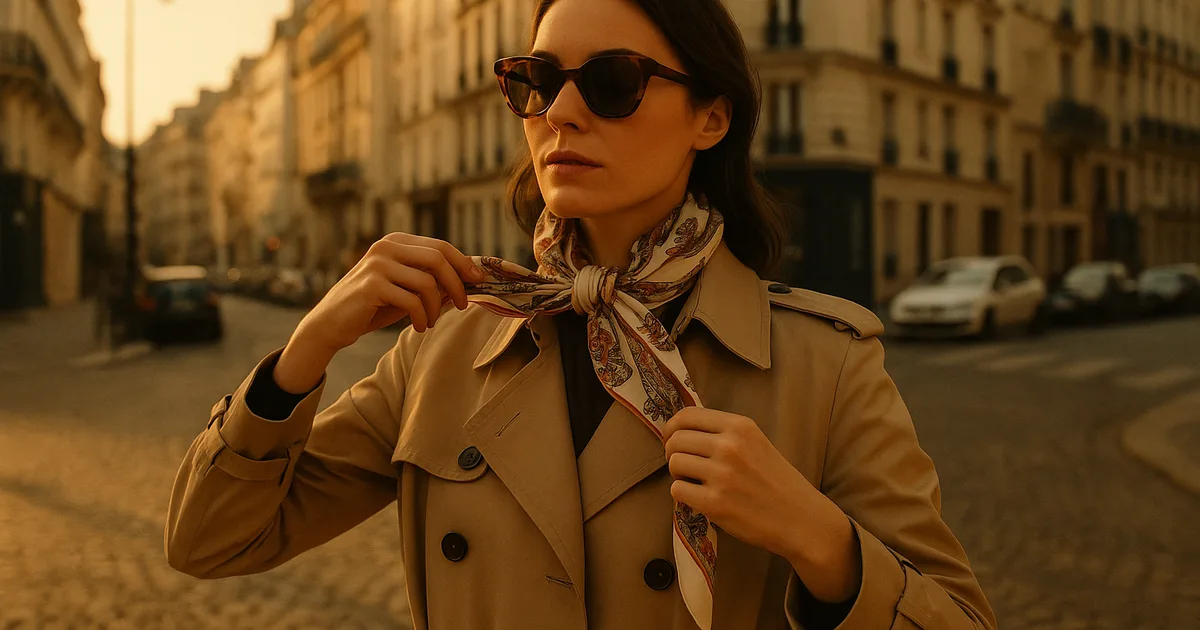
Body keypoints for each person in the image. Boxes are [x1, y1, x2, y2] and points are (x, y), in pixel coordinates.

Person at [165, 0, 996, 628]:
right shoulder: (444, 350)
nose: (560, 112)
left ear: (712, 116)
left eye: (612, 84)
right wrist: (304, 352)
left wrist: (821, 540)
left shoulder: (828, 363)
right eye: (537, 82)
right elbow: (210, 540)